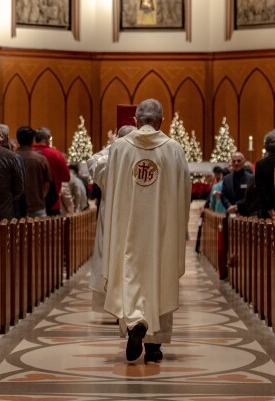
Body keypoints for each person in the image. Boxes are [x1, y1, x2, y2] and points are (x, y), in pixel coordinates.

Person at [99, 99, 189, 363]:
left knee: (129, 274)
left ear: (136, 121)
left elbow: (108, 183)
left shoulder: (119, 147)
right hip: (161, 230)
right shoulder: (173, 149)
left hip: (127, 228)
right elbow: (184, 189)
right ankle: (153, 347)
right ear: (161, 122)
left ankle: (133, 324)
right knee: (158, 276)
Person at [88, 124, 136, 312]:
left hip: (111, 217)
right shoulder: (139, 158)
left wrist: (113, 145)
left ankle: (114, 303)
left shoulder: (107, 161)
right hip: (133, 217)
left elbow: (93, 161)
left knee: (111, 258)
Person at [33, 127, 71, 215]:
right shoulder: (56, 154)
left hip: (30, 202)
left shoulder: (28, 153)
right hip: (52, 202)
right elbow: (66, 177)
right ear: (48, 138)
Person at [16, 126, 52, 218]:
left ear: (18, 139)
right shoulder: (41, 159)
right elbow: (47, 184)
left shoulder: (11, 157)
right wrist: (40, 198)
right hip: (37, 206)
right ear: (32, 140)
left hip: (16, 206)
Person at [255, 130, 275, 219]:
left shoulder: (261, 164)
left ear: (266, 146)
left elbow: (261, 190)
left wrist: (270, 210)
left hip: (267, 212)